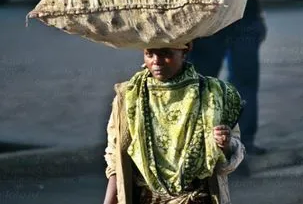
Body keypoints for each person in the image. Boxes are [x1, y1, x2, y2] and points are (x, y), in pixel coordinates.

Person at [103, 44, 245, 204]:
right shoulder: (129, 97)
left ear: (185, 51)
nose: (156, 61)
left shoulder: (213, 94)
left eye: (165, 54)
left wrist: (224, 145)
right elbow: (116, 160)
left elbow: (230, 156)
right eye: (149, 54)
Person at [189, 0, 267, 156]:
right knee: (200, 83)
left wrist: (257, 19)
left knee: (245, 80)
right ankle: (197, 146)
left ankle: (245, 143)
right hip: (210, 19)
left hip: (244, 18)